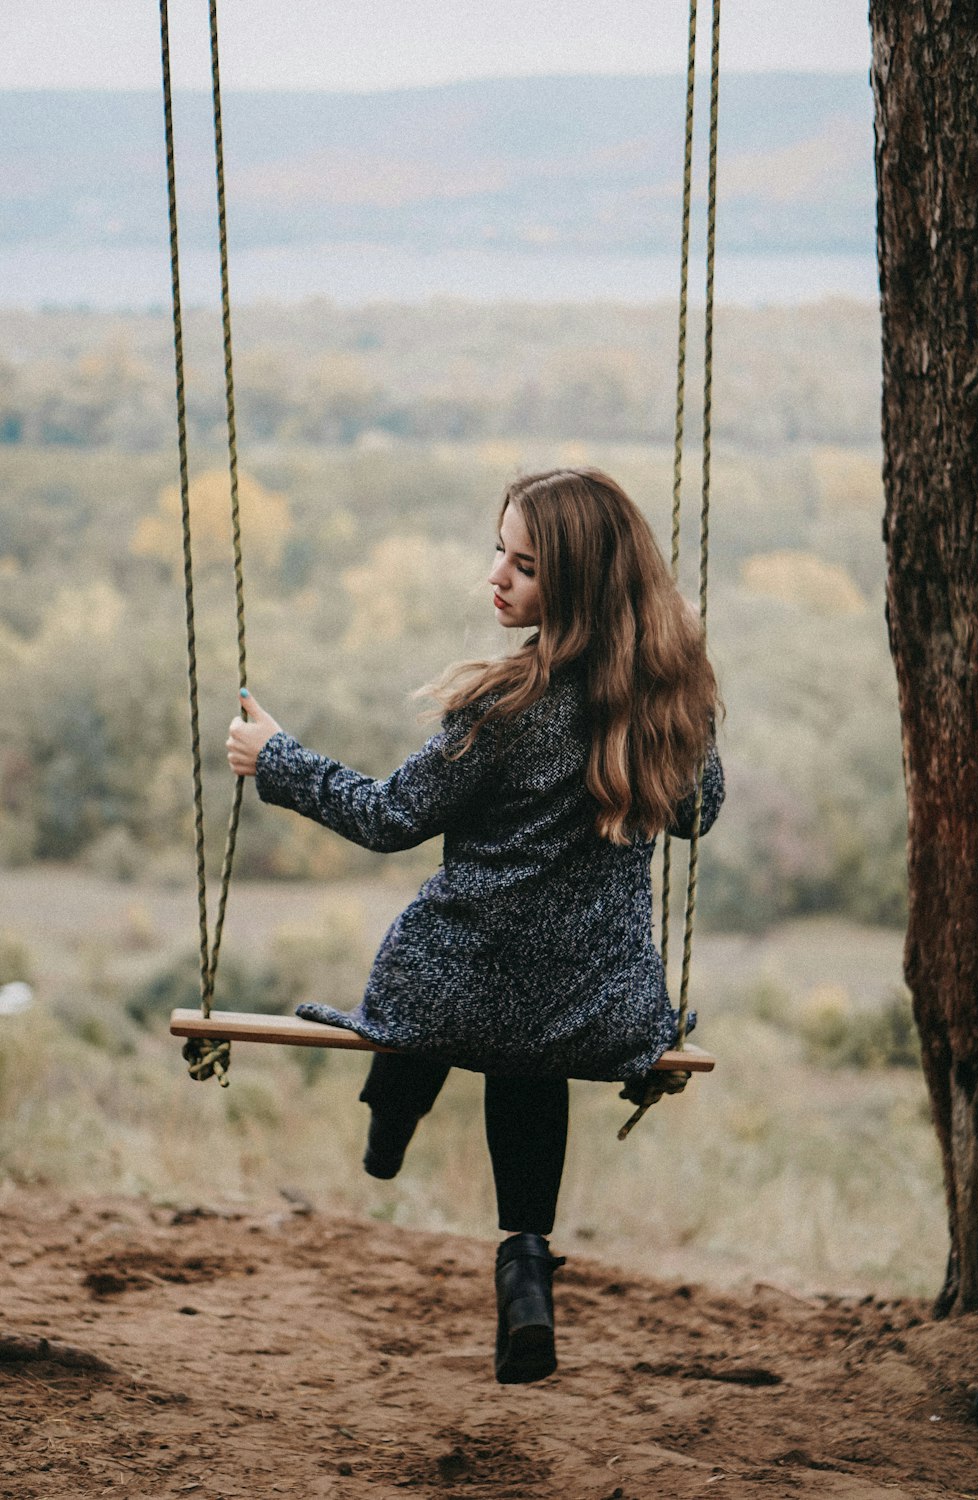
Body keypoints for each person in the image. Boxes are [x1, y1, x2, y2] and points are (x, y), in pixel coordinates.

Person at [226, 468, 724, 1386]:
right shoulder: (661, 709)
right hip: (596, 1008)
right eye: (499, 550)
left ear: (572, 588)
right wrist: (681, 690)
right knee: (524, 1047)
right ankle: (525, 1270)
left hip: (458, 993)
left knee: (433, 974)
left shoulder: (503, 710)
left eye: (524, 565)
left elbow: (385, 819)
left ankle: (388, 1121)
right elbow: (701, 813)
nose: (496, 575)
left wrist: (277, 760)